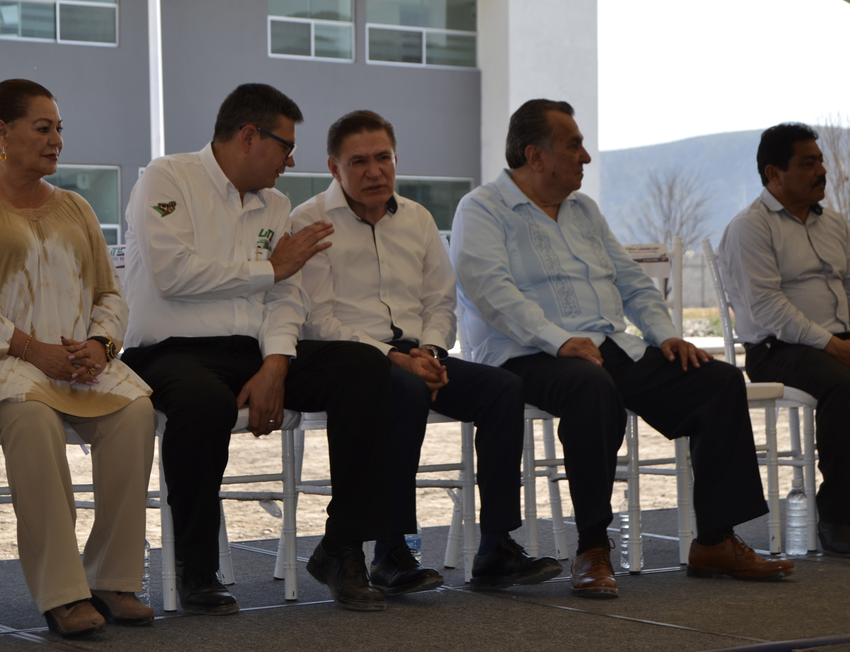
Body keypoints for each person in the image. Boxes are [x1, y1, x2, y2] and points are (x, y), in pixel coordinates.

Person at [451, 98, 795, 599]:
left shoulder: (584, 210)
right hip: (523, 354)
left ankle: (715, 541)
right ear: (535, 155)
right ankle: (592, 547)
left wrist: (666, 335)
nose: (586, 156)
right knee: (591, 387)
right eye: (574, 145)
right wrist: (558, 339)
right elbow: (492, 292)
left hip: (607, 345)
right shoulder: (482, 208)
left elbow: (632, 283)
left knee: (717, 380)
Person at [121, 84, 393, 613]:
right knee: (204, 403)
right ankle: (197, 569)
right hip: (169, 351)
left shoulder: (277, 204)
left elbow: (287, 295)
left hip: (250, 353)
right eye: (285, 146)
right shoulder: (168, 177)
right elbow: (173, 275)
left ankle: (342, 548)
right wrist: (268, 269)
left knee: (363, 367)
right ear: (249, 136)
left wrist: (276, 363)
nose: (290, 161)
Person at [0, 79, 156, 637]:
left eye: (59, 129)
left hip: (73, 362)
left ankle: (112, 578)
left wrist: (100, 345)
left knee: (135, 412)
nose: (56, 141)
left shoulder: (75, 206)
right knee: (33, 417)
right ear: (2, 133)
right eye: (43, 129)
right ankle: (63, 594)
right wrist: (31, 349)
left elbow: (111, 292)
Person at [292, 110, 561, 594]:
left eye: (383, 158)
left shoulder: (417, 218)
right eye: (359, 162)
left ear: (396, 159)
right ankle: (391, 552)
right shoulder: (310, 221)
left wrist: (431, 352)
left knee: (504, 388)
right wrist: (394, 358)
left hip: (419, 355)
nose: (375, 172)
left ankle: (496, 546)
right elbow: (318, 320)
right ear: (333, 168)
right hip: (352, 362)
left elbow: (440, 302)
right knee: (406, 389)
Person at [719, 122, 850, 557]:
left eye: (821, 161)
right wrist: (833, 346)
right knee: (843, 385)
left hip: (836, 341)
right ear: (774, 174)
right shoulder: (750, 228)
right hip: (777, 349)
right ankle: (838, 517)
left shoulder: (835, 224)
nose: (822, 171)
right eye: (808, 163)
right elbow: (768, 308)